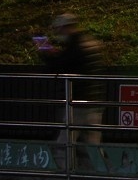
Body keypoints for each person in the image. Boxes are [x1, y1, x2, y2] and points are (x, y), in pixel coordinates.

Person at [37, 13, 105, 163]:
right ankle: (102, 174)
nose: (58, 34)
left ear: (65, 28)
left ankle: (65, 173)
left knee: (64, 145)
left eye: (59, 30)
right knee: (94, 148)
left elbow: (57, 65)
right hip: (94, 102)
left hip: (78, 104)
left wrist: (44, 48)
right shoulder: (90, 43)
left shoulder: (75, 46)